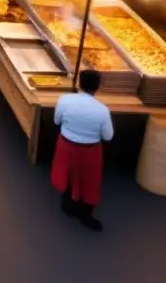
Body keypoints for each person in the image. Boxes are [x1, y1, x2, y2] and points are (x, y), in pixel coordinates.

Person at [52, 69, 113, 231]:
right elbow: (108, 136)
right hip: (89, 151)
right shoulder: (102, 110)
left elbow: (56, 120)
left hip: (66, 145)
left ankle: (67, 205)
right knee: (89, 182)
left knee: (68, 176)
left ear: (79, 83)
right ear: (97, 87)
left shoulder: (64, 99)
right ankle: (85, 215)